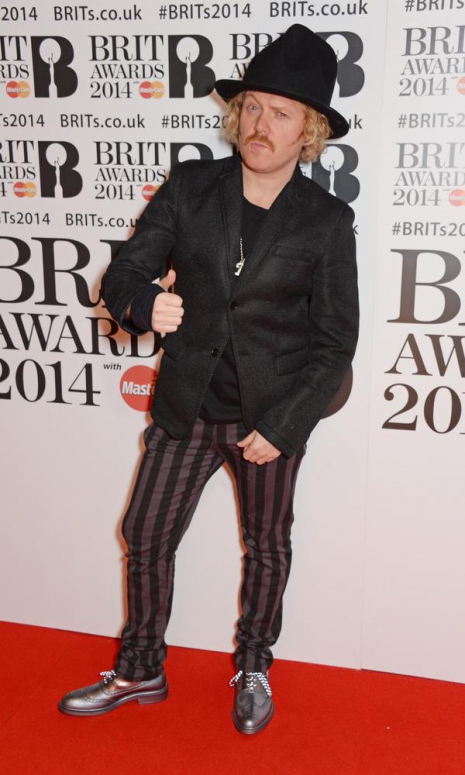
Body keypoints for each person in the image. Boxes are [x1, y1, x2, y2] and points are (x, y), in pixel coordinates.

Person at [58, 24, 359, 735]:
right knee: (144, 532)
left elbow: (334, 343)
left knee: (267, 545)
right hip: (186, 406)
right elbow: (126, 272)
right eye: (252, 106)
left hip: (269, 417)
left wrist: (283, 425)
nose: (261, 124)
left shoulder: (325, 221)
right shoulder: (193, 186)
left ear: (309, 131)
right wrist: (142, 303)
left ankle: (253, 665)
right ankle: (141, 668)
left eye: (281, 113)